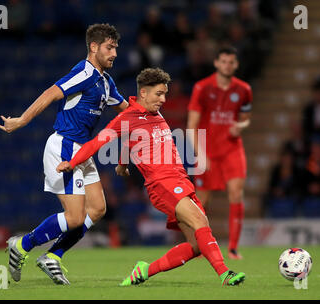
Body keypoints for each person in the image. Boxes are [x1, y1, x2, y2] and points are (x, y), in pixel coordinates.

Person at [57, 67, 246, 287]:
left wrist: (122, 164)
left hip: (180, 180)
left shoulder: (154, 113)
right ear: (144, 93)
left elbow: (131, 140)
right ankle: (225, 274)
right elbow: (97, 142)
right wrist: (71, 163)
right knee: (200, 221)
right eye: (159, 94)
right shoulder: (126, 117)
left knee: (195, 246)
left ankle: (145, 270)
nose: (163, 99)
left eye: (165, 94)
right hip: (162, 183)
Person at [0, 24, 128, 285]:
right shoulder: (84, 72)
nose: (115, 53)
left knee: (98, 208)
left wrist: (147, 112)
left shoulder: (106, 81)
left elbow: (127, 111)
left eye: (116, 47)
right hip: (65, 147)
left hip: (83, 150)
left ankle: (53, 256)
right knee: (75, 217)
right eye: (109, 47)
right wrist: (21, 120)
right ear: (94, 47)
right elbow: (50, 93)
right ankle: (22, 244)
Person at [186, 46, 252, 260]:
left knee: (236, 193)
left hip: (232, 148)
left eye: (231, 62)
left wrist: (240, 127)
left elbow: (245, 118)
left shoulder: (244, 90)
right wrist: (200, 154)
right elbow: (191, 126)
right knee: (201, 202)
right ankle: (195, 246)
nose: (227, 65)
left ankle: (233, 248)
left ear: (236, 64)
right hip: (208, 151)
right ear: (216, 63)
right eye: (223, 61)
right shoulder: (202, 88)